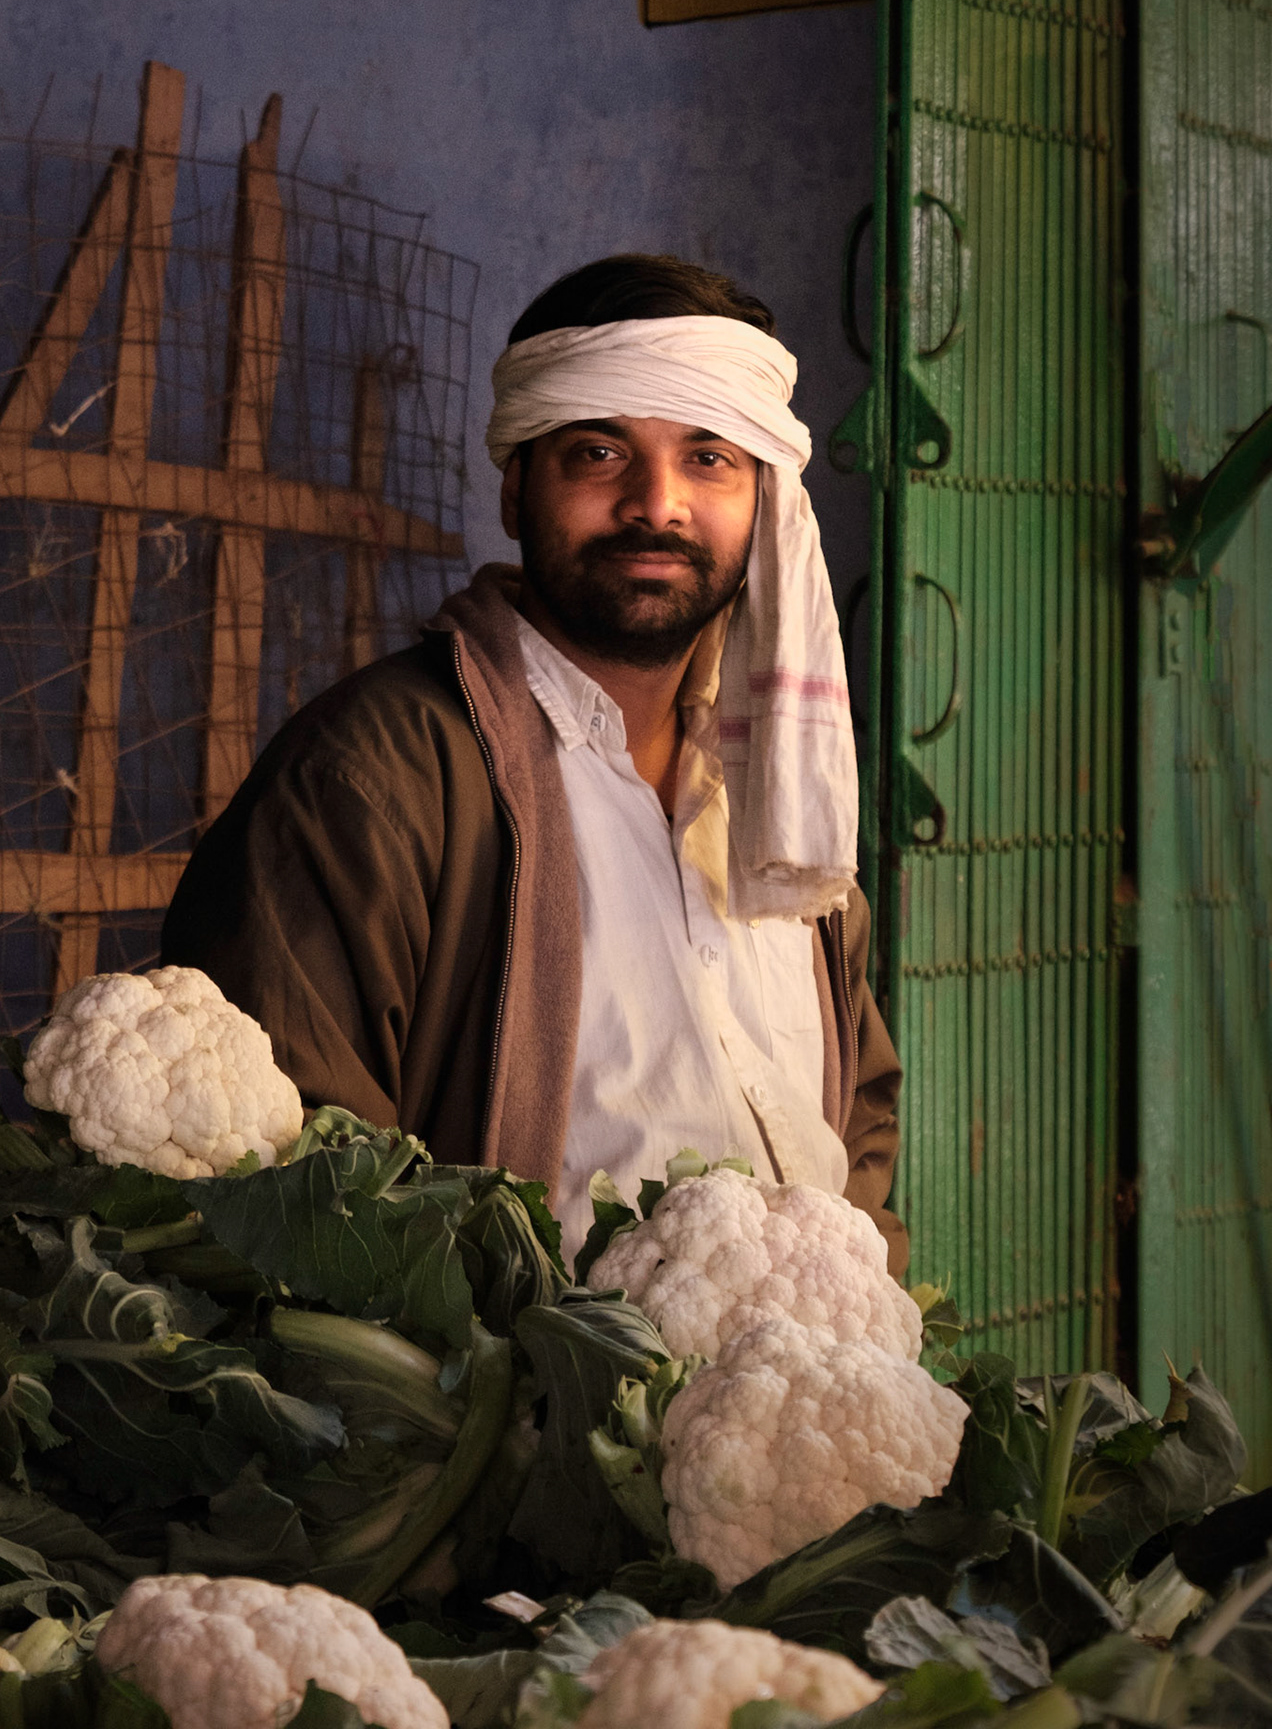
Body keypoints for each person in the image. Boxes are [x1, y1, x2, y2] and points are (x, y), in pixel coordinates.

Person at [161, 253, 906, 1273]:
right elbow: (283, 1193)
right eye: (600, 454)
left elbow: (857, 1121)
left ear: (765, 498)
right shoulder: (376, 782)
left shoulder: (784, 791)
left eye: (709, 458)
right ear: (516, 488)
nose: (657, 504)